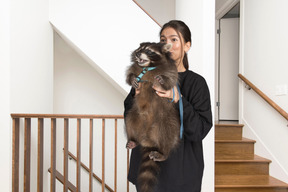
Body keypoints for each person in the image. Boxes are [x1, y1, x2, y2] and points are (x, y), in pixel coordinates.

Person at [124, 20, 213, 192]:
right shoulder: (145, 75)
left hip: (181, 175)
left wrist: (178, 99)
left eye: (174, 39)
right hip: (145, 170)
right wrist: (136, 97)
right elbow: (129, 113)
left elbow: (199, 130)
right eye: (163, 40)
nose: (168, 45)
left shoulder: (197, 83)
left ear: (187, 46)